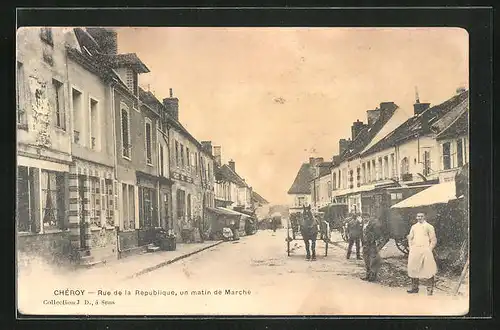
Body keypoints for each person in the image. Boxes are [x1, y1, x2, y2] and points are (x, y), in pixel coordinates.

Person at [406, 212, 438, 295]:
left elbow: (433, 240)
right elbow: (410, 238)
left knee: (429, 269)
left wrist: (429, 249)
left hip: (425, 250)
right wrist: (411, 247)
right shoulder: (414, 227)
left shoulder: (429, 226)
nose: (419, 218)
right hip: (415, 250)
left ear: (425, 217)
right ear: (416, 217)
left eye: (421, 216)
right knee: (413, 268)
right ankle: (414, 288)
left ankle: (429, 290)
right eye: (418, 216)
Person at [361, 217, 382, 282]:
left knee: (372, 261)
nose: (365, 219)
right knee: (367, 261)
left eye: (366, 218)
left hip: (371, 245)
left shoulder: (372, 227)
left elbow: (376, 236)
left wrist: (373, 240)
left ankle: (372, 276)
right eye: (364, 218)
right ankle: (368, 275)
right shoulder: (364, 226)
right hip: (366, 245)